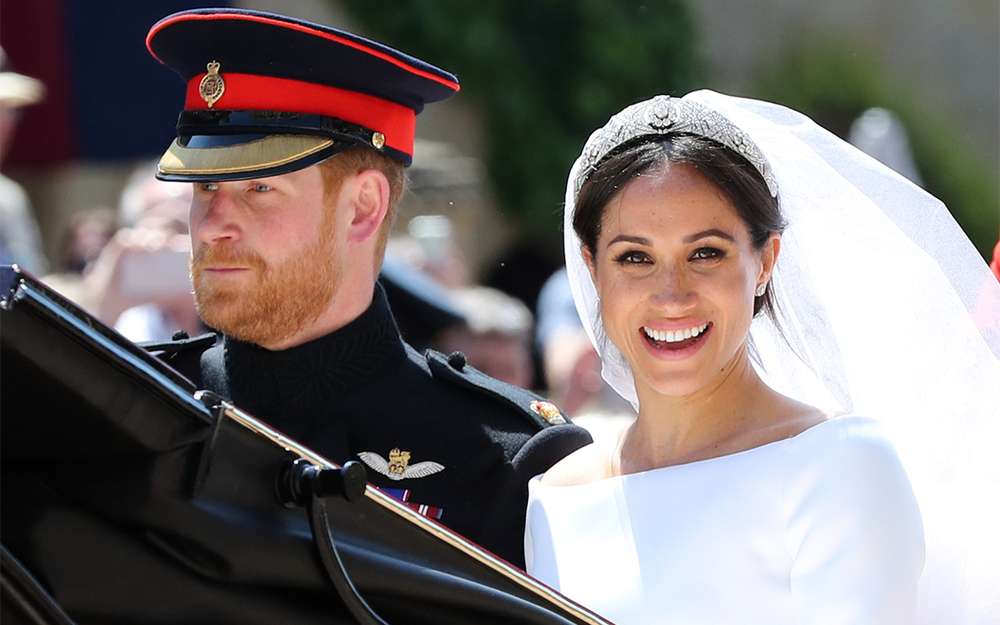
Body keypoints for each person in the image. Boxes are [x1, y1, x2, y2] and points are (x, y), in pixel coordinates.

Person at [525, 92, 1000, 623]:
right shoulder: (557, 498)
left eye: (706, 253)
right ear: (592, 267)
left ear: (767, 260)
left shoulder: (838, 468)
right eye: (635, 257)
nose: (672, 295)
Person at [141, 8, 591, 568]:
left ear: (363, 207)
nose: (212, 226)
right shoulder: (130, 398)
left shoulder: (505, 463)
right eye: (204, 187)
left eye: (258, 188)